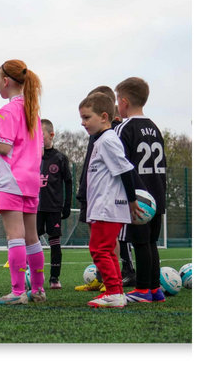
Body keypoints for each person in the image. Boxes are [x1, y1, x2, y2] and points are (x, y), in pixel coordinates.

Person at [0, 59, 45, 306]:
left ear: (5, 82)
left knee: (15, 237)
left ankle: (18, 292)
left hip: (11, 179)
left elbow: (5, 146)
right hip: (31, 180)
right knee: (33, 237)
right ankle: (38, 290)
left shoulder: (6, 111)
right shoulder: (33, 112)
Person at [78, 93, 144, 308]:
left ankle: (114, 293)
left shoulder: (108, 140)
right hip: (102, 207)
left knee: (100, 250)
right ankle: (116, 292)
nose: (83, 122)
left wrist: (133, 200)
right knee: (103, 250)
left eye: (87, 117)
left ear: (104, 116)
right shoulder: (102, 140)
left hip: (108, 207)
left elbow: (126, 170)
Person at [114, 77, 167, 303]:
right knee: (151, 242)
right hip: (157, 193)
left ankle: (143, 289)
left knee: (140, 243)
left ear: (124, 102)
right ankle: (155, 289)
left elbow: (119, 163)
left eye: (117, 101)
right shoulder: (155, 127)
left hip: (137, 197)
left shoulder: (124, 128)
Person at [37, 119, 72, 289]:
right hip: (34, 207)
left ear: (51, 135)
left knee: (54, 241)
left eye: (40, 133)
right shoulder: (33, 156)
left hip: (53, 207)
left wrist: (66, 205)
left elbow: (68, 182)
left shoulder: (60, 158)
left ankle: (54, 278)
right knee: (31, 242)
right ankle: (33, 277)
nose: (37, 136)